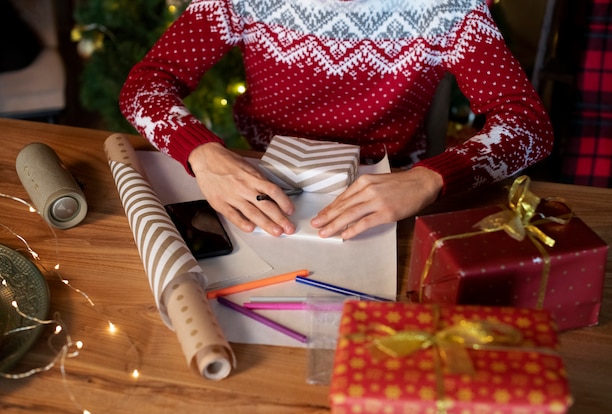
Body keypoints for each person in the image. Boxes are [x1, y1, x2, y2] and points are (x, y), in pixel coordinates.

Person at [120, 0, 553, 240]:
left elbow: (528, 125)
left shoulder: (448, 8)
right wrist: (202, 154)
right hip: (261, 170)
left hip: (389, 181)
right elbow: (145, 86)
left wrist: (429, 181)